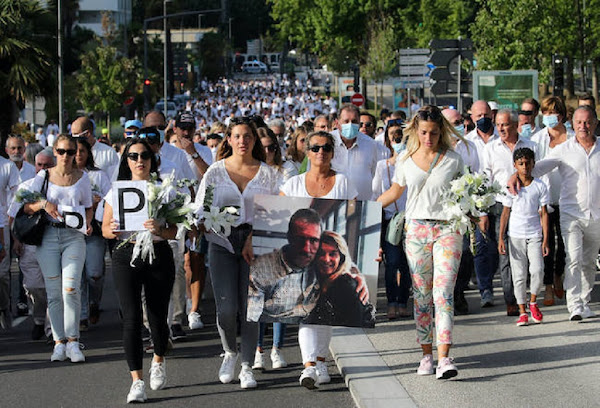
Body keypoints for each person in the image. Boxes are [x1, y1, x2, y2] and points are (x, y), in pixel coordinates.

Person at [377, 105, 465, 380]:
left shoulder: (454, 159)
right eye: (425, 132)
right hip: (415, 231)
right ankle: (426, 355)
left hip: (448, 230)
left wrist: (478, 206)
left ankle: (444, 357)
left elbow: (471, 188)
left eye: (435, 133)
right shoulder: (405, 159)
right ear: (416, 130)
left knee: (443, 294)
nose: (429, 138)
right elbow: (395, 191)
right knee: (423, 296)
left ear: (442, 132)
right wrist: (365, 210)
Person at [194, 117, 281, 389]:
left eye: (248, 136)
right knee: (227, 308)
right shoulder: (215, 173)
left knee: (251, 308)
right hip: (221, 242)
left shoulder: (267, 174)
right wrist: (198, 223)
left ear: (254, 140)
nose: (242, 141)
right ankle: (229, 352)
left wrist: (255, 237)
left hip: (256, 243)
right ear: (229, 140)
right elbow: (202, 206)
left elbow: (276, 211)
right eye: (237, 136)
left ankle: (247, 365)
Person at [280, 130, 359, 389]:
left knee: (325, 311)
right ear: (307, 151)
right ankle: (309, 366)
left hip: (330, 257)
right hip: (302, 258)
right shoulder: (292, 185)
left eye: (326, 148)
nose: (320, 153)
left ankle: (321, 361)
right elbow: (279, 216)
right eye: (315, 148)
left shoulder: (344, 182)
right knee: (306, 311)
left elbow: (354, 217)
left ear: (333, 152)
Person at [102, 138, 178, 403]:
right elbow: (104, 229)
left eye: (144, 155)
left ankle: (158, 358)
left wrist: (160, 229)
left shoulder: (165, 190)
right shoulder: (116, 191)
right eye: (133, 156)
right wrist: (110, 229)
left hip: (158, 253)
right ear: (127, 160)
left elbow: (175, 230)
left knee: (157, 318)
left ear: (152, 159)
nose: (139, 160)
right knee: (132, 318)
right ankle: (137, 381)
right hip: (126, 254)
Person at [508, 106, 600, 321]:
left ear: (595, 123)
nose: (583, 126)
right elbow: (536, 168)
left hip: (596, 215)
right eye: (579, 122)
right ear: (572, 123)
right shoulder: (564, 149)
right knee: (574, 258)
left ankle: (584, 302)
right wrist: (515, 174)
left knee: (588, 261)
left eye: (587, 122)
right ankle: (574, 305)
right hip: (571, 213)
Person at [24, 134, 93, 363]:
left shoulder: (83, 178)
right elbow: (25, 205)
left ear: (77, 154)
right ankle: (58, 342)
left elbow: (88, 207)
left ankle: (73, 341)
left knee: (71, 289)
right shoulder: (43, 177)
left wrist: (88, 223)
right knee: (54, 293)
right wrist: (43, 203)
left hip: (74, 236)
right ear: (55, 152)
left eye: (70, 152)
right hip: (49, 236)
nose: (66, 156)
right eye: (61, 151)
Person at [482, 109, 538, 316]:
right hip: (500, 206)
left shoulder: (531, 146)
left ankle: (526, 294)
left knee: (527, 254)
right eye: (498, 125)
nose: (501, 129)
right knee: (505, 253)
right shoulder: (491, 148)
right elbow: (485, 179)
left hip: (527, 206)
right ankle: (510, 299)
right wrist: (483, 212)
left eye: (505, 124)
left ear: (515, 125)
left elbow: (537, 172)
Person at [498, 148, 549, 326]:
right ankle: (522, 311)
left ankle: (533, 301)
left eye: (528, 163)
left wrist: (545, 239)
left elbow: (543, 213)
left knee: (536, 270)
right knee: (518, 274)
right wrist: (501, 238)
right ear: (515, 165)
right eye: (521, 163)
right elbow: (505, 213)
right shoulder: (511, 186)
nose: (525, 167)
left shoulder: (540, 186)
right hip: (515, 235)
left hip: (534, 234)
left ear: (533, 163)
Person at [7, 149, 55, 339]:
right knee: (34, 286)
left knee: (53, 287)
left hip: (53, 241)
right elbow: (13, 216)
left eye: (47, 165)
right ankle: (38, 319)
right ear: (34, 165)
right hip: (30, 244)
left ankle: (52, 330)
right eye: (39, 165)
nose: (43, 168)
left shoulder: (60, 186)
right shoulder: (25, 187)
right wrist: (16, 240)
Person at [531, 96, 573, 306]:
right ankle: (548, 285)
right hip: (544, 199)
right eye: (546, 113)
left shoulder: (572, 137)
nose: (549, 117)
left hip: (568, 198)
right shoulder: (538, 139)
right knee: (547, 243)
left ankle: (559, 275)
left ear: (562, 115)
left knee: (565, 244)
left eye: (553, 113)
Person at [371, 127, 410, 319]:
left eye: (401, 135)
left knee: (407, 263)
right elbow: (376, 194)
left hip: (410, 221)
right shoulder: (382, 166)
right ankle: (392, 301)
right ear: (388, 140)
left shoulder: (413, 164)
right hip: (389, 221)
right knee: (392, 262)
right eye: (394, 135)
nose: (398, 138)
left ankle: (403, 301)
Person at [303, 231, 375, 327]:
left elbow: (355, 328)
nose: (326, 259)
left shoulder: (347, 285)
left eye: (332, 254)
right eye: (321, 253)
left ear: (341, 258)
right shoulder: (312, 278)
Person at [75, 138, 111, 329]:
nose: (79, 154)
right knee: (76, 275)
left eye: (83, 150)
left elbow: (111, 199)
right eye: (76, 150)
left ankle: (94, 302)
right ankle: (81, 315)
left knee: (94, 273)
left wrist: (98, 202)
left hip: (94, 232)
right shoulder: (66, 176)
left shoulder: (98, 175)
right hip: (72, 232)